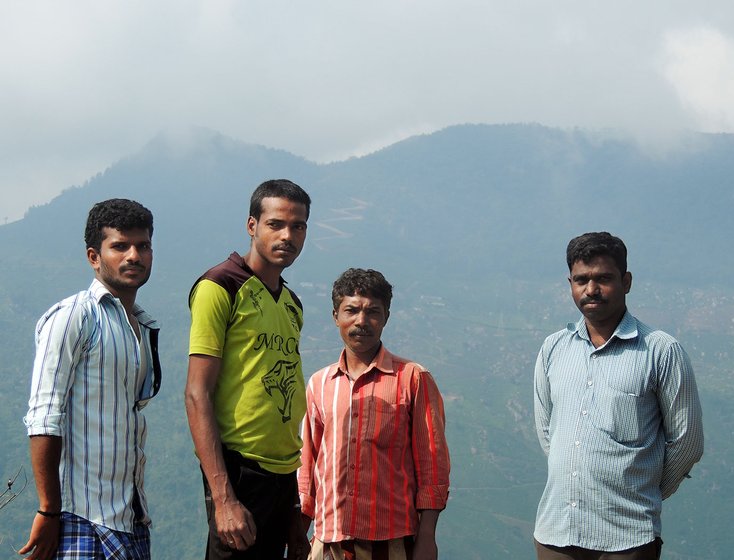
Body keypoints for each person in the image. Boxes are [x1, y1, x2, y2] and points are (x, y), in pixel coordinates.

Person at [533, 232, 704, 560]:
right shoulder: (553, 348)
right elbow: (548, 433)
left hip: (627, 538)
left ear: (626, 282)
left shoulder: (660, 351)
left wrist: (643, 491)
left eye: (603, 278)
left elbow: (688, 443)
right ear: (570, 283)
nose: (591, 289)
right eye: (581, 279)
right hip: (556, 532)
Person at [21, 199, 160, 560]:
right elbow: (43, 417)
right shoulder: (74, 317)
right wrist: (49, 509)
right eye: (120, 246)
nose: (134, 256)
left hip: (130, 519)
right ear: (93, 257)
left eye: (143, 245)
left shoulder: (141, 326)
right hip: (80, 519)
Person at [185, 179, 312, 560]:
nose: (287, 235)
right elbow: (197, 393)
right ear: (252, 225)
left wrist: (293, 508)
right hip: (240, 473)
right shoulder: (220, 286)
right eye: (276, 224)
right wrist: (223, 498)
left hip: (283, 476)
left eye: (298, 226)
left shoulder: (292, 303)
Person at [298, 268, 451, 560]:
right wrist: (299, 533)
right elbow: (308, 465)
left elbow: (433, 466)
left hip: (392, 541)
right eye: (351, 310)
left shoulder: (413, 379)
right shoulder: (319, 384)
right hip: (329, 541)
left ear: (386, 317)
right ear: (335, 317)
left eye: (372, 312)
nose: (361, 321)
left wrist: (427, 538)